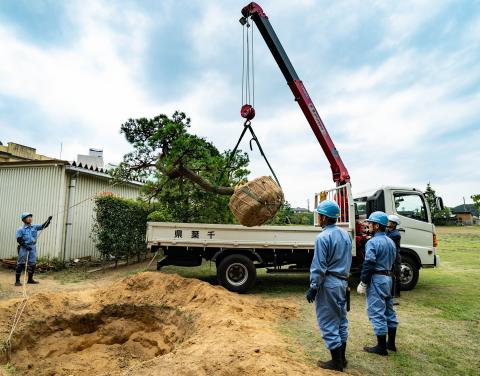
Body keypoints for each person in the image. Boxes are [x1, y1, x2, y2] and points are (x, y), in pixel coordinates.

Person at [306, 200, 352, 371]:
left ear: (324, 217)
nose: (318, 218)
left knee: (328, 322)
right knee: (341, 320)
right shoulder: (346, 235)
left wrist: (313, 287)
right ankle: (343, 359)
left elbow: (319, 267)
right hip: (342, 282)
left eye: (319, 215)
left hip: (329, 284)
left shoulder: (323, 237)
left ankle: (336, 363)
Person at [357, 211, 398, 355]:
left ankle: (381, 347)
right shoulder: (391, 241)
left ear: (376, 226)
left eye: (370, 223)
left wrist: (363, 282)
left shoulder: (372, 242)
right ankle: (391, 344)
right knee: (389, 310)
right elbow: (394, 261)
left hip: (377, 279)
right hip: (388, 278)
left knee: (376, 312)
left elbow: (368, 263)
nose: (368, 225)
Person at [15, 212, 52, 286]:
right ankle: (17, 281)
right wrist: (25, 245)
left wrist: (48, 220)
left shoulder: (34, 227)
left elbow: (43, 226)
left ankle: (30, 279)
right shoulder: (20, 229)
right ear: (23, 219)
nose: (30, 218)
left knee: (32, 263)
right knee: (21, 263)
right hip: (23, 247)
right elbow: (19, 240)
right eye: (27, 217)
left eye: (30, 217)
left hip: (32, 247)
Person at [386, 214, 402, 303]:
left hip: (395, 256)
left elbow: (385, 239)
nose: (388, 223)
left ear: (394, 224)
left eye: (389, 222)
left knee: (396, 274)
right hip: (390, 255)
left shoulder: (395, 234)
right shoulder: (388, 231)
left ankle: (396, 293)